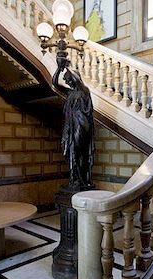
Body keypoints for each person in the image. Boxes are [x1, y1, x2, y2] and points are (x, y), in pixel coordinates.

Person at [53, 57, 95, 189]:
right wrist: (59, 69)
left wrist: (67, 66)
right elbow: (54, 83)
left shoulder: (84, 90)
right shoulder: (70, 93)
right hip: (71, 125)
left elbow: (77, 80)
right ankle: (75, 179)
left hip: (82, 125)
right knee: (71, 151)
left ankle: (81, 178)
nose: (67, 82)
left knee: (78, 151)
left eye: (68, 79)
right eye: (66, 80)